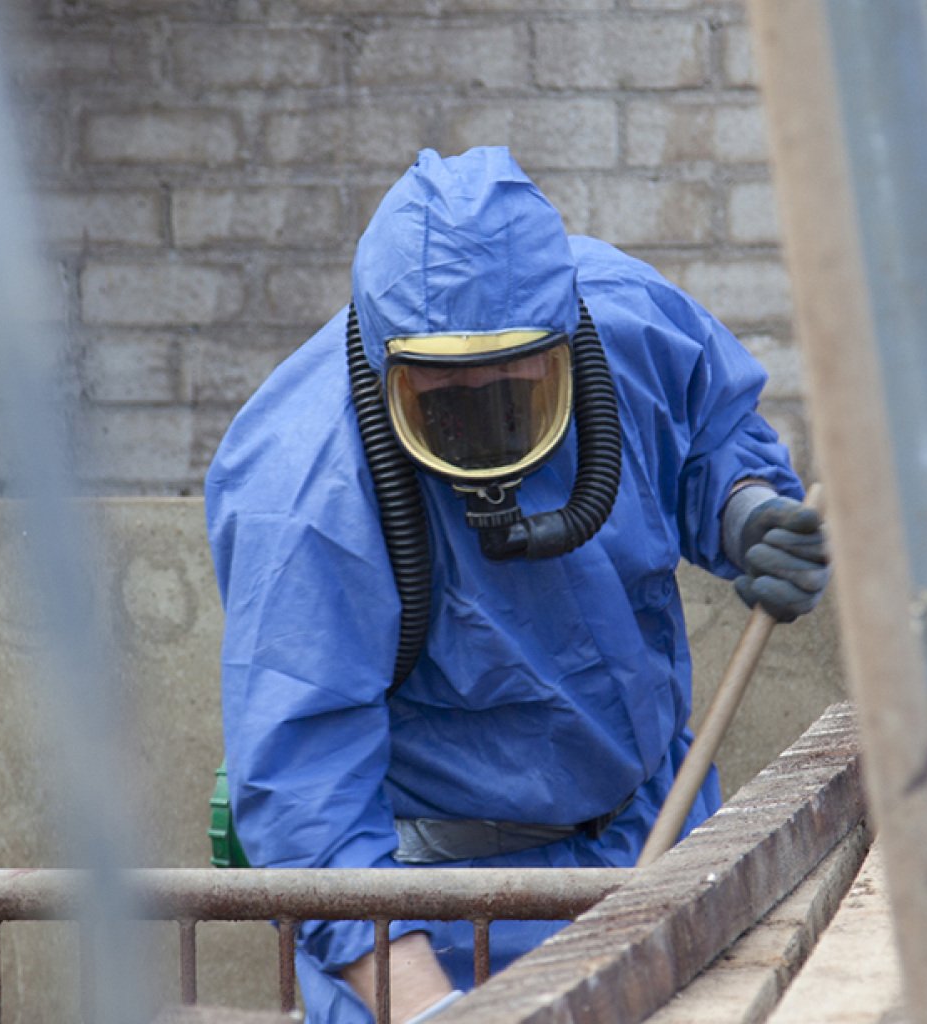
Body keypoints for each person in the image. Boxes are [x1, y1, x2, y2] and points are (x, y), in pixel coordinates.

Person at [205, 147, 826, 1023]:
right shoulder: (307, 494)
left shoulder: (628, 323)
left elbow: (708, 433)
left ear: (566, 335)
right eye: (443, 397)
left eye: (513, 389)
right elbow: (310, 804)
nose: (482, 425)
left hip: (661, 840)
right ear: (389, 365)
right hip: (443, 913)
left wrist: (744, 509)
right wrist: (430, 1009)